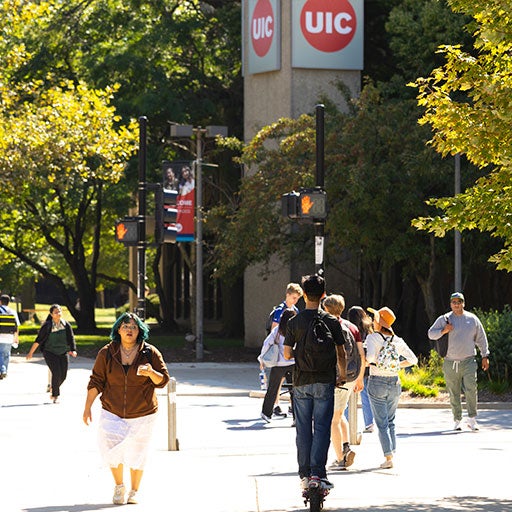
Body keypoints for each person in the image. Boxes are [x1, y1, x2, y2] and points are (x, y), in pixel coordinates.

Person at [83, 312, 170, 505]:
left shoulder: (150, 353)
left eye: (133, 327)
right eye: (125, 327)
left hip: (143, 412)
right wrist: (87, 407)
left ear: (140, 331)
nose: (129, 330)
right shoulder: (106, 353)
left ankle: (135, 491)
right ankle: (119, 486)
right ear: (118, 330)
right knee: (112, 447)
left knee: (138, 451)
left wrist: (150, 372)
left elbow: (163, 380)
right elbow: (96, 380)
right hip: (112, 410)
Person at [283, 274, 347, 492]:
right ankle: (318, 474)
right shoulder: (331, 321)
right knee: (321, 428)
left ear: (303, 295)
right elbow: (341, 351)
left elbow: (287, 353)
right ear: (323, 295)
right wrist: (342, 374)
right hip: (325, 380)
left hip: (301, 380)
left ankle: (304, 474)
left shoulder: (294, 322)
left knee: (303, 429)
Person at [427, 292, 490, 431]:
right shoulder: (444, 319)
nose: (457, 304)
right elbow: (431, 334)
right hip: (450, 362)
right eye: (454, 302)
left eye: (459, 302)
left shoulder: (472, 319)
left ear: (463, 303)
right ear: (451, 304)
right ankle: (457, 419)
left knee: (471, 389)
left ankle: (472, 419)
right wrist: (444, 330)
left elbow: (481, 338)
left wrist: (485, 355)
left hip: (468, 361)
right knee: (453, 391)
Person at [365, 306, 417, 469]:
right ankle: (392, 451)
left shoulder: (373, 338)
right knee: (391, 420)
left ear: (379, 322)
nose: (373, 321)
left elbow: (370, 358)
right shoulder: (398, 340)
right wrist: (395, 365)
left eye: (375, 319)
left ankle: (388, 457)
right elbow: (413, 360)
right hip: (394, 381)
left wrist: (371, 362)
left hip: (377, 381)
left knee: (381, 423)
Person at [322, 295, 365, 471]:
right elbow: (361, 354)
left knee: (334, 418)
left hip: (336, 378)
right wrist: (360, 378)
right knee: (340, 415)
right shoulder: (352, 327)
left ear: (327, 310)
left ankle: (340, 459)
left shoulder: (326, 327)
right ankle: (346, 448)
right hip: (352, 376)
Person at [26, 304, 77, 402]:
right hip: (49, 352)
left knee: (63, 375)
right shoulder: (47, 325)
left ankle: (54, 387)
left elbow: (71, 338)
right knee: (56, 372)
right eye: (56, 312)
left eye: (59, 311)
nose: (58, 313)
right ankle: (55, 396)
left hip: (63, 352)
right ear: (51, 314)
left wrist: (73, 349)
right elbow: (39, 340)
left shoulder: (66, 324)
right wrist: (31, 353)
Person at [267, 282, 303, 416]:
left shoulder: (295, 310)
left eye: (297, 298)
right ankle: (276, 405)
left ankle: (290, 405)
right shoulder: (280, 310)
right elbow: (274, 329)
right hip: (280, 350)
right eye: (293, 297)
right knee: (278, 380)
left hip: (290, 350)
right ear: (287, 295)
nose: (295, 300)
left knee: (290, 381)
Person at [258, 308, 297, 423]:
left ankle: (266, 413)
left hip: (278, 364)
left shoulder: (277, 331)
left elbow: (267, 343)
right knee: (294, 390)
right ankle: (296, 417)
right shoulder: (297, 331)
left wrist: (261, 359)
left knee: (272, 389)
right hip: (293, 363)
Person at [348, 306, 374, 433]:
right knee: (366, 396)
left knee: (349, 396)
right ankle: (369, 423)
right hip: (367, 365)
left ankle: (348, 422)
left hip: (352, 365)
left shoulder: (350, 329)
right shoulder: (369, 330)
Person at [0, 294, 20, 379]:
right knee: (6, 354)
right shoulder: (13, 312)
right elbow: (16, 326)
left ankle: (2, 370)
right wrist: (16, 337)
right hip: (9, 336)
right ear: (8, 302)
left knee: (0, 354)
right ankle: (5, 371)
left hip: (0, 335)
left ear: (0, 302)